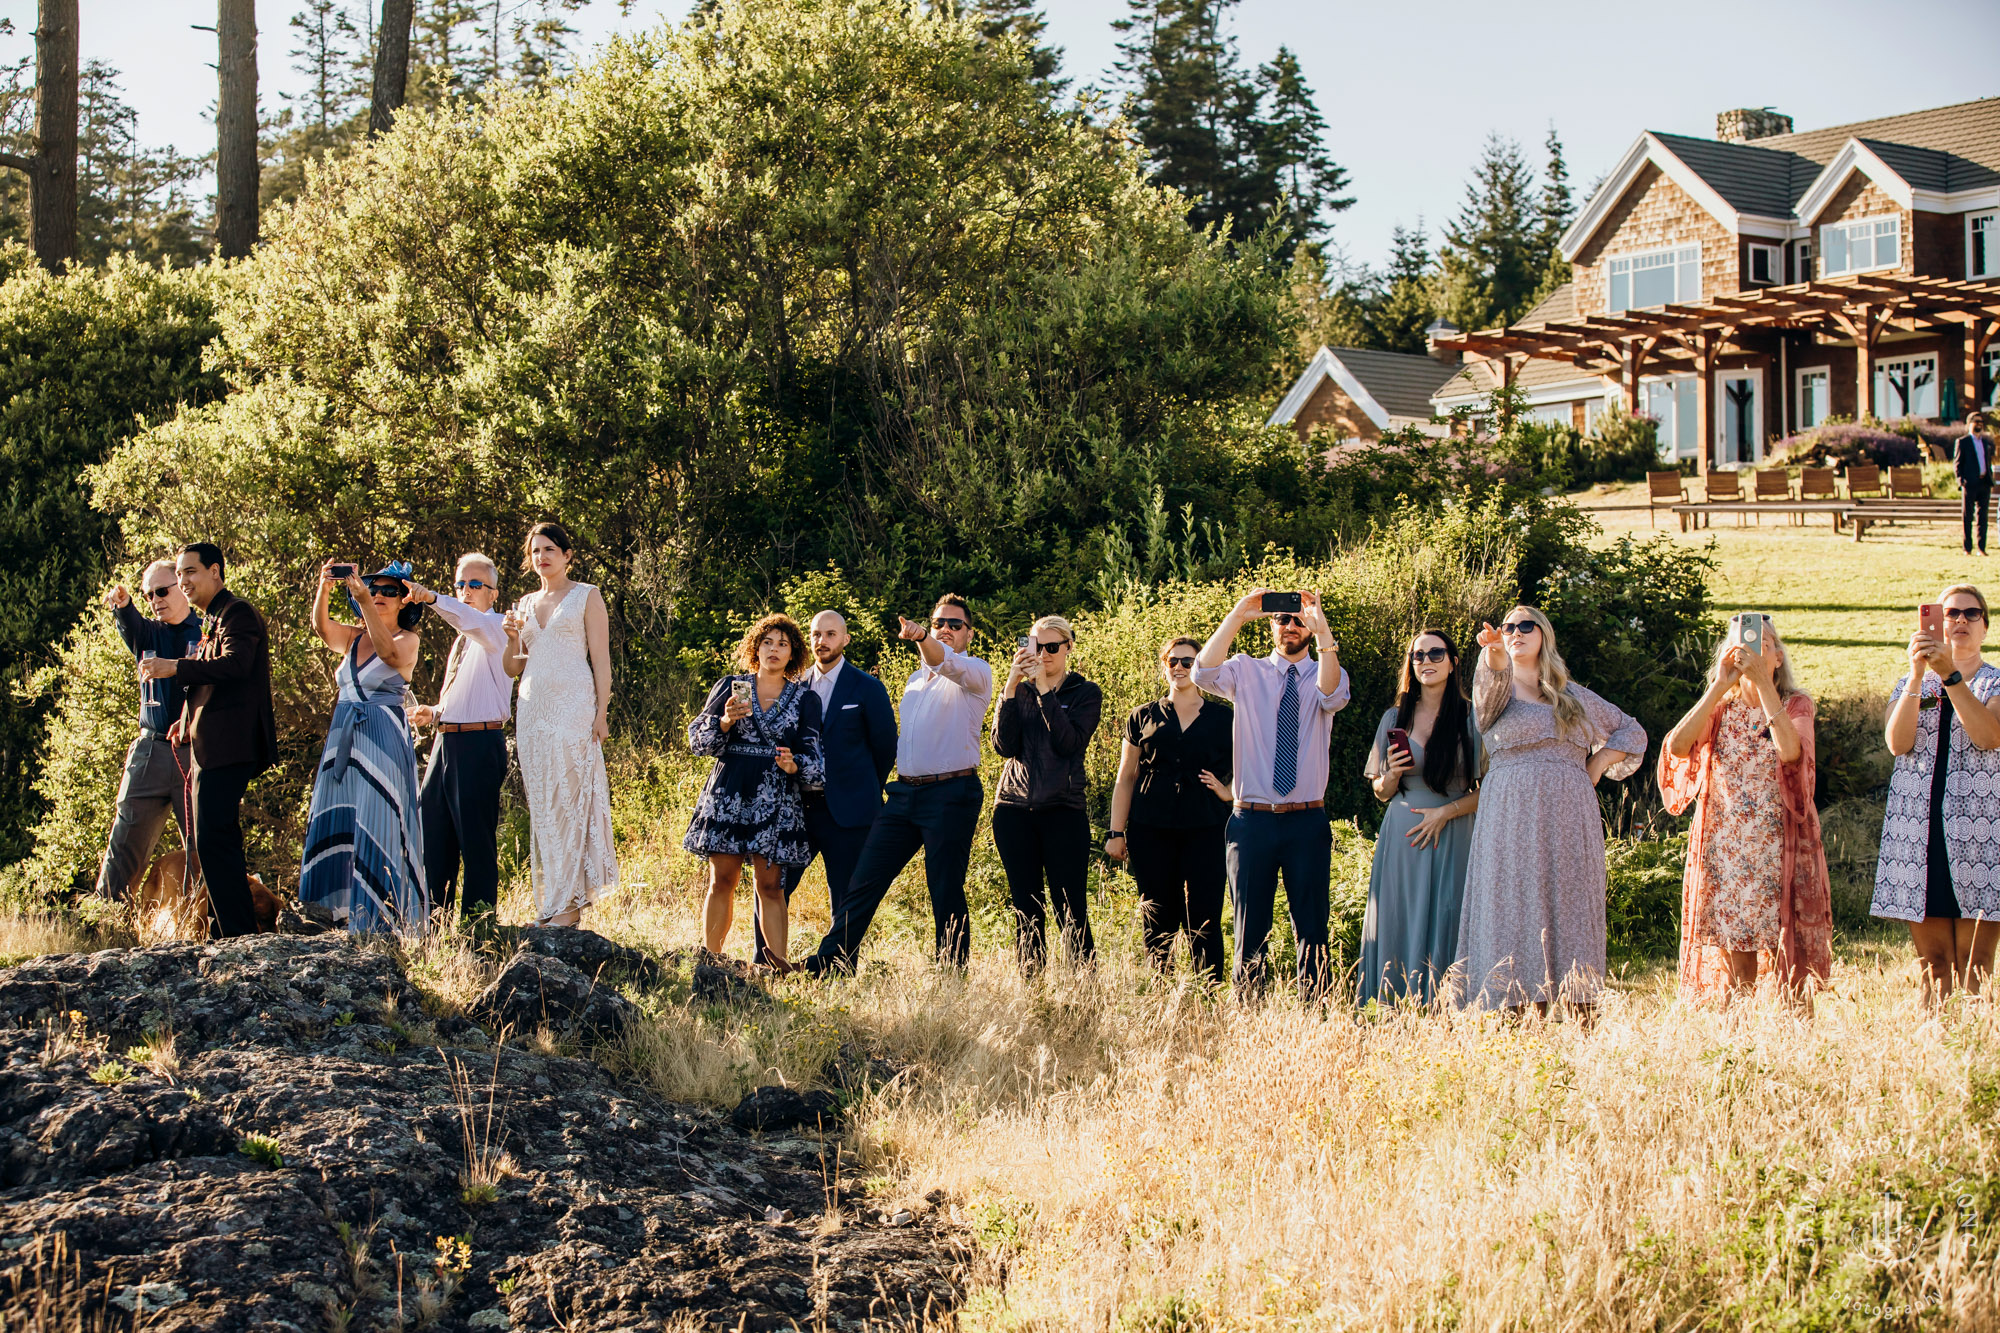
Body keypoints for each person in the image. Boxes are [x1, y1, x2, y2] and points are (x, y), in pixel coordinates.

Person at [1457, 607, 1646, 1017]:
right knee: (1513, 905)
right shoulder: (1495, 686)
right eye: (1509, 627)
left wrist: (1596, 763)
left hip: (1569, 814)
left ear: (1544, 635)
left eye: (1526, 625)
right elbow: (1488, 686)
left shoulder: (1573, 695)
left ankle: (1582, 1015)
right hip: (1511, 814)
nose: (1516, 632)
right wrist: (1493, 653)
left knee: (1573, 904)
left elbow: (1632, 731)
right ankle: (1515, 1019)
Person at [808, 593, 993, 974]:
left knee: (944, 887)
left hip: (951, 793)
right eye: (939, 622)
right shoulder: (913, 682)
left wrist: (924, 636)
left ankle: (951, 978)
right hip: (904, 793)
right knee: (864, 879)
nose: (945, 630)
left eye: (954, 625)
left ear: (969, 634)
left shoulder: (975, 673)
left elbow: (945, 662)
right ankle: (829, 964)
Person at [1661, 616, 1833, 1008]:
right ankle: (1737, 1042)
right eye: (1742, 644)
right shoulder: (1720, 708)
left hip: (1778, 845)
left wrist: (1764, 688)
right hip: (1727, 847)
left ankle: (1790, 1043)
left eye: (1762, 644)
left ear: (1777, 657)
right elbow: (1678, 747)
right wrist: (1719, 684)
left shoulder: (1795, 703)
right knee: (1737, 959)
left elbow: (1792, 752)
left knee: (1788, 953)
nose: (1752, 651)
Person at [1193, 588, 1350, 1000]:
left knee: (1312, 926)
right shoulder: (1245, 670)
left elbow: (1333, 696)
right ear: (1271, 627)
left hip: (1306, 820)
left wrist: (1323, 631)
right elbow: (1202, 674)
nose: (1291, 626)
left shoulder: (1325, 670)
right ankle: (1248, 1014)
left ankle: (1314, 1013)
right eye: (1283, 618)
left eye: (1299, 618)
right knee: (1250, 925)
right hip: (1252, 821)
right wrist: (1238, 614)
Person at [137, 543, 277, 938]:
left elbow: (235, 665)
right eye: (179, 575)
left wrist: (173, 667)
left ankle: (235, 932)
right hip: (208, 746)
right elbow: (209, 680)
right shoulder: (213, 620)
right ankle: (225, 928)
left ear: (215, 571)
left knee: (216, 838)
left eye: (190, 572)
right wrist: (185, 719)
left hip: (230, 746)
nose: (183, 581)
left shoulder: (238, 613)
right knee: (212, 840)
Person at [1872, 584, 2000, 1004]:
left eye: (1971, 613)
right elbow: (1897, 743)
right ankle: (1938, 1047)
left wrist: (1950, 676)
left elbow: (1988, 736)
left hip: (1982, 835)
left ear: (1985, 626)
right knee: (1934, 961)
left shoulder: (1995, 682)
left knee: (1975, 959)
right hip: (1919, 834)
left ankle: (1975, 1049)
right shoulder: (1911, 683)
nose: (1960, 620)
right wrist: (1916, 674)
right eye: (1950, 614)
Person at [685, 614, 825, 967]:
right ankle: (712, 963)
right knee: (723, 880)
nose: (774, 649)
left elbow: (815, 759)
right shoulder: (731, 686)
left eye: (783, 643)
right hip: (729, 792)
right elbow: (698, 741)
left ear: (793, 653)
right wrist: (726, 721)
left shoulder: (806, 699)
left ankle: (777, 968)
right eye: (767, 642)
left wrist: (794, 765)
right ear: (755, 647)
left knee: (771, 886)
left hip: (775, 798)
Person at [298, 560, 429, 933]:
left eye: (390, 591)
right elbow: (322, 629)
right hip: (343, 736)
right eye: (375, 588)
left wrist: (366, 605)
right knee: (338, 813)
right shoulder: (354, 636)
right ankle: (331, 913)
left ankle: (382, 920)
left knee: (380, 816)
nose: (380, 595)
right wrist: (324, 588)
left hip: (381, 736)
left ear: (405, 600)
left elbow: (389, 655)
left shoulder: (409, 640)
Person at [502, 521, 619, 928]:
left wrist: (601, 712)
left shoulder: (587, 595)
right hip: (533, 709)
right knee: (545, 806)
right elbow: (513, 668)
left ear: (567, 555)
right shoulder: (523, 603)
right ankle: (551, 902)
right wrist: (511, 639)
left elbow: (601, 661)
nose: (542, 557)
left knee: (571, 800)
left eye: (550, 549)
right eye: (536, 551)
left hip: (574, 707)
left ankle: (569, 907)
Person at [1359, 630, 1482, 1007]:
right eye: (1418, 655)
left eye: (1435, 653)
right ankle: (1393, 1005)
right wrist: (1392, 774)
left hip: (1454, 830)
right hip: (1403, 834)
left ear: (1453, 662)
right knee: (1398, 914)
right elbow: (1380, 792)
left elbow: (1490, 789)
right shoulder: (1394, 717)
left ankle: (1449, 1006)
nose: (1426, 661)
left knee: (1450, 913)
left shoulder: (1471, 716)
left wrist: (1445, 813)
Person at [767, 611, 896, 961]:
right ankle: (766, 962)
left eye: (830, 634)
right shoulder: (794, 687)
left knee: (847, 897)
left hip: (850, 810)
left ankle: (838, 968)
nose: (821, 641)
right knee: (774, 887)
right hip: (798, 809)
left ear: (845, 639)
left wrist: (858, 788)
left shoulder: (867, 687)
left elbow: (885, 749)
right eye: (815, 634)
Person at [1105, 636, 1233, 982]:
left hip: (1206, 828)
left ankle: (1206, 996)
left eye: (1188, 662)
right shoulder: (1142, 716)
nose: (1179, 668)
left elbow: (1254, 762)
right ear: (1164, 666)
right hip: (1151, 828)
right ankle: (1161, 996)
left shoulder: (1224, 718)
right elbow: (1126, 776)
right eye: (1172, 661)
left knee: (1204, 914)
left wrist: (1229, 791)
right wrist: (1116, 832)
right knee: (1157, 915)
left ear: (1200, 667)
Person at [404, 555, 513, 926]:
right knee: (433, 837)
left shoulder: (496, 627)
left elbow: (468, 619)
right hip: (444, 743)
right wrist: (434, 713)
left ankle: (478, 932)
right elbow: (462, 698)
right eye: (459, 585)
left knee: (475, 843)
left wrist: (432, 598)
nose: (465, 592)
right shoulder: (462, 643)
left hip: (479, 744)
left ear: (493, 593)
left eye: (474, 585)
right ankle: (433, 928)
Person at [991, 615, 1103, 972]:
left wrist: (1042, 691)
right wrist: (1012, 683)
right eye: (1037, 646)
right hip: (1013, 809)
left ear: (1068, 647)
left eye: (1052, 646)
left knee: (1069, 906)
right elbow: (1003, 746)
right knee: (1026, 906)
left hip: (1063, 810)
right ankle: (1032, 992)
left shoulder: (1086, 692)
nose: (1044, 653)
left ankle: (1084, 990)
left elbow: (1069, 743)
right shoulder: (1017, 691)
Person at [95, 560, 204, 902]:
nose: (155, 600)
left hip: (197, 752)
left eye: (162, 591)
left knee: (206, 844)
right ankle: (105, 920)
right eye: (148, 595)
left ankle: (212, 920)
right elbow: (130, 625)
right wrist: (124, 605)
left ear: (182, 587)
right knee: (124, 843)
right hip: (150, 751)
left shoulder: (206, 631)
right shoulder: (148, 633)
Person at [1957, 411, 1993, 556]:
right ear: (1969, 423)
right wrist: (1961, 481)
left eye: (1981, 422)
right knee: (1967, 516)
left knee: (1982, 517)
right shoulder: (1963, 442)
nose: (1979, 424)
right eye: (1976, 421)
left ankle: (1981, 548)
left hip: (1984, 483)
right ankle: (1967, 548)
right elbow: (1957, 464)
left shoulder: (1985, 443)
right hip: (1970, 483)